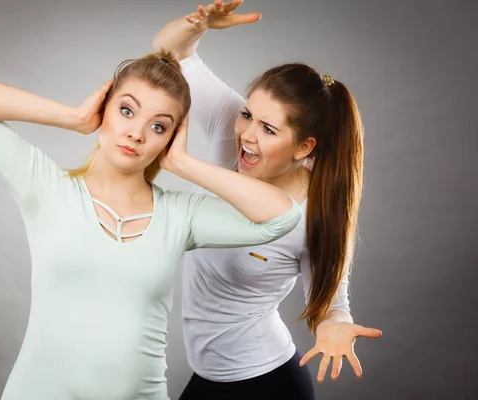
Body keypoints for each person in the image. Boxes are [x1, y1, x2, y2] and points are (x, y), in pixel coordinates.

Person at [0, 50, 301, 400]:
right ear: (105, 108)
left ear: (169, 139)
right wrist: (75, 117)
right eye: (126, 110)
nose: (137, 133)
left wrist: (182, 164)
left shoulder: (181, 215)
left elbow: (282, 215)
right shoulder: (46, 187)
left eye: (158, 126)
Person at [152, 2, 383, 399]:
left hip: (266, 385)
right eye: (247, 115)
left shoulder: (316, 212)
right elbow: (170, 53)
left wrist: (334, 326)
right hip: (208, 377)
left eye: (269, 129)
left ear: (303, 147)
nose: (246, 135)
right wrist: (199, 25)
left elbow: (332, 301)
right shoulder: (233, 128)